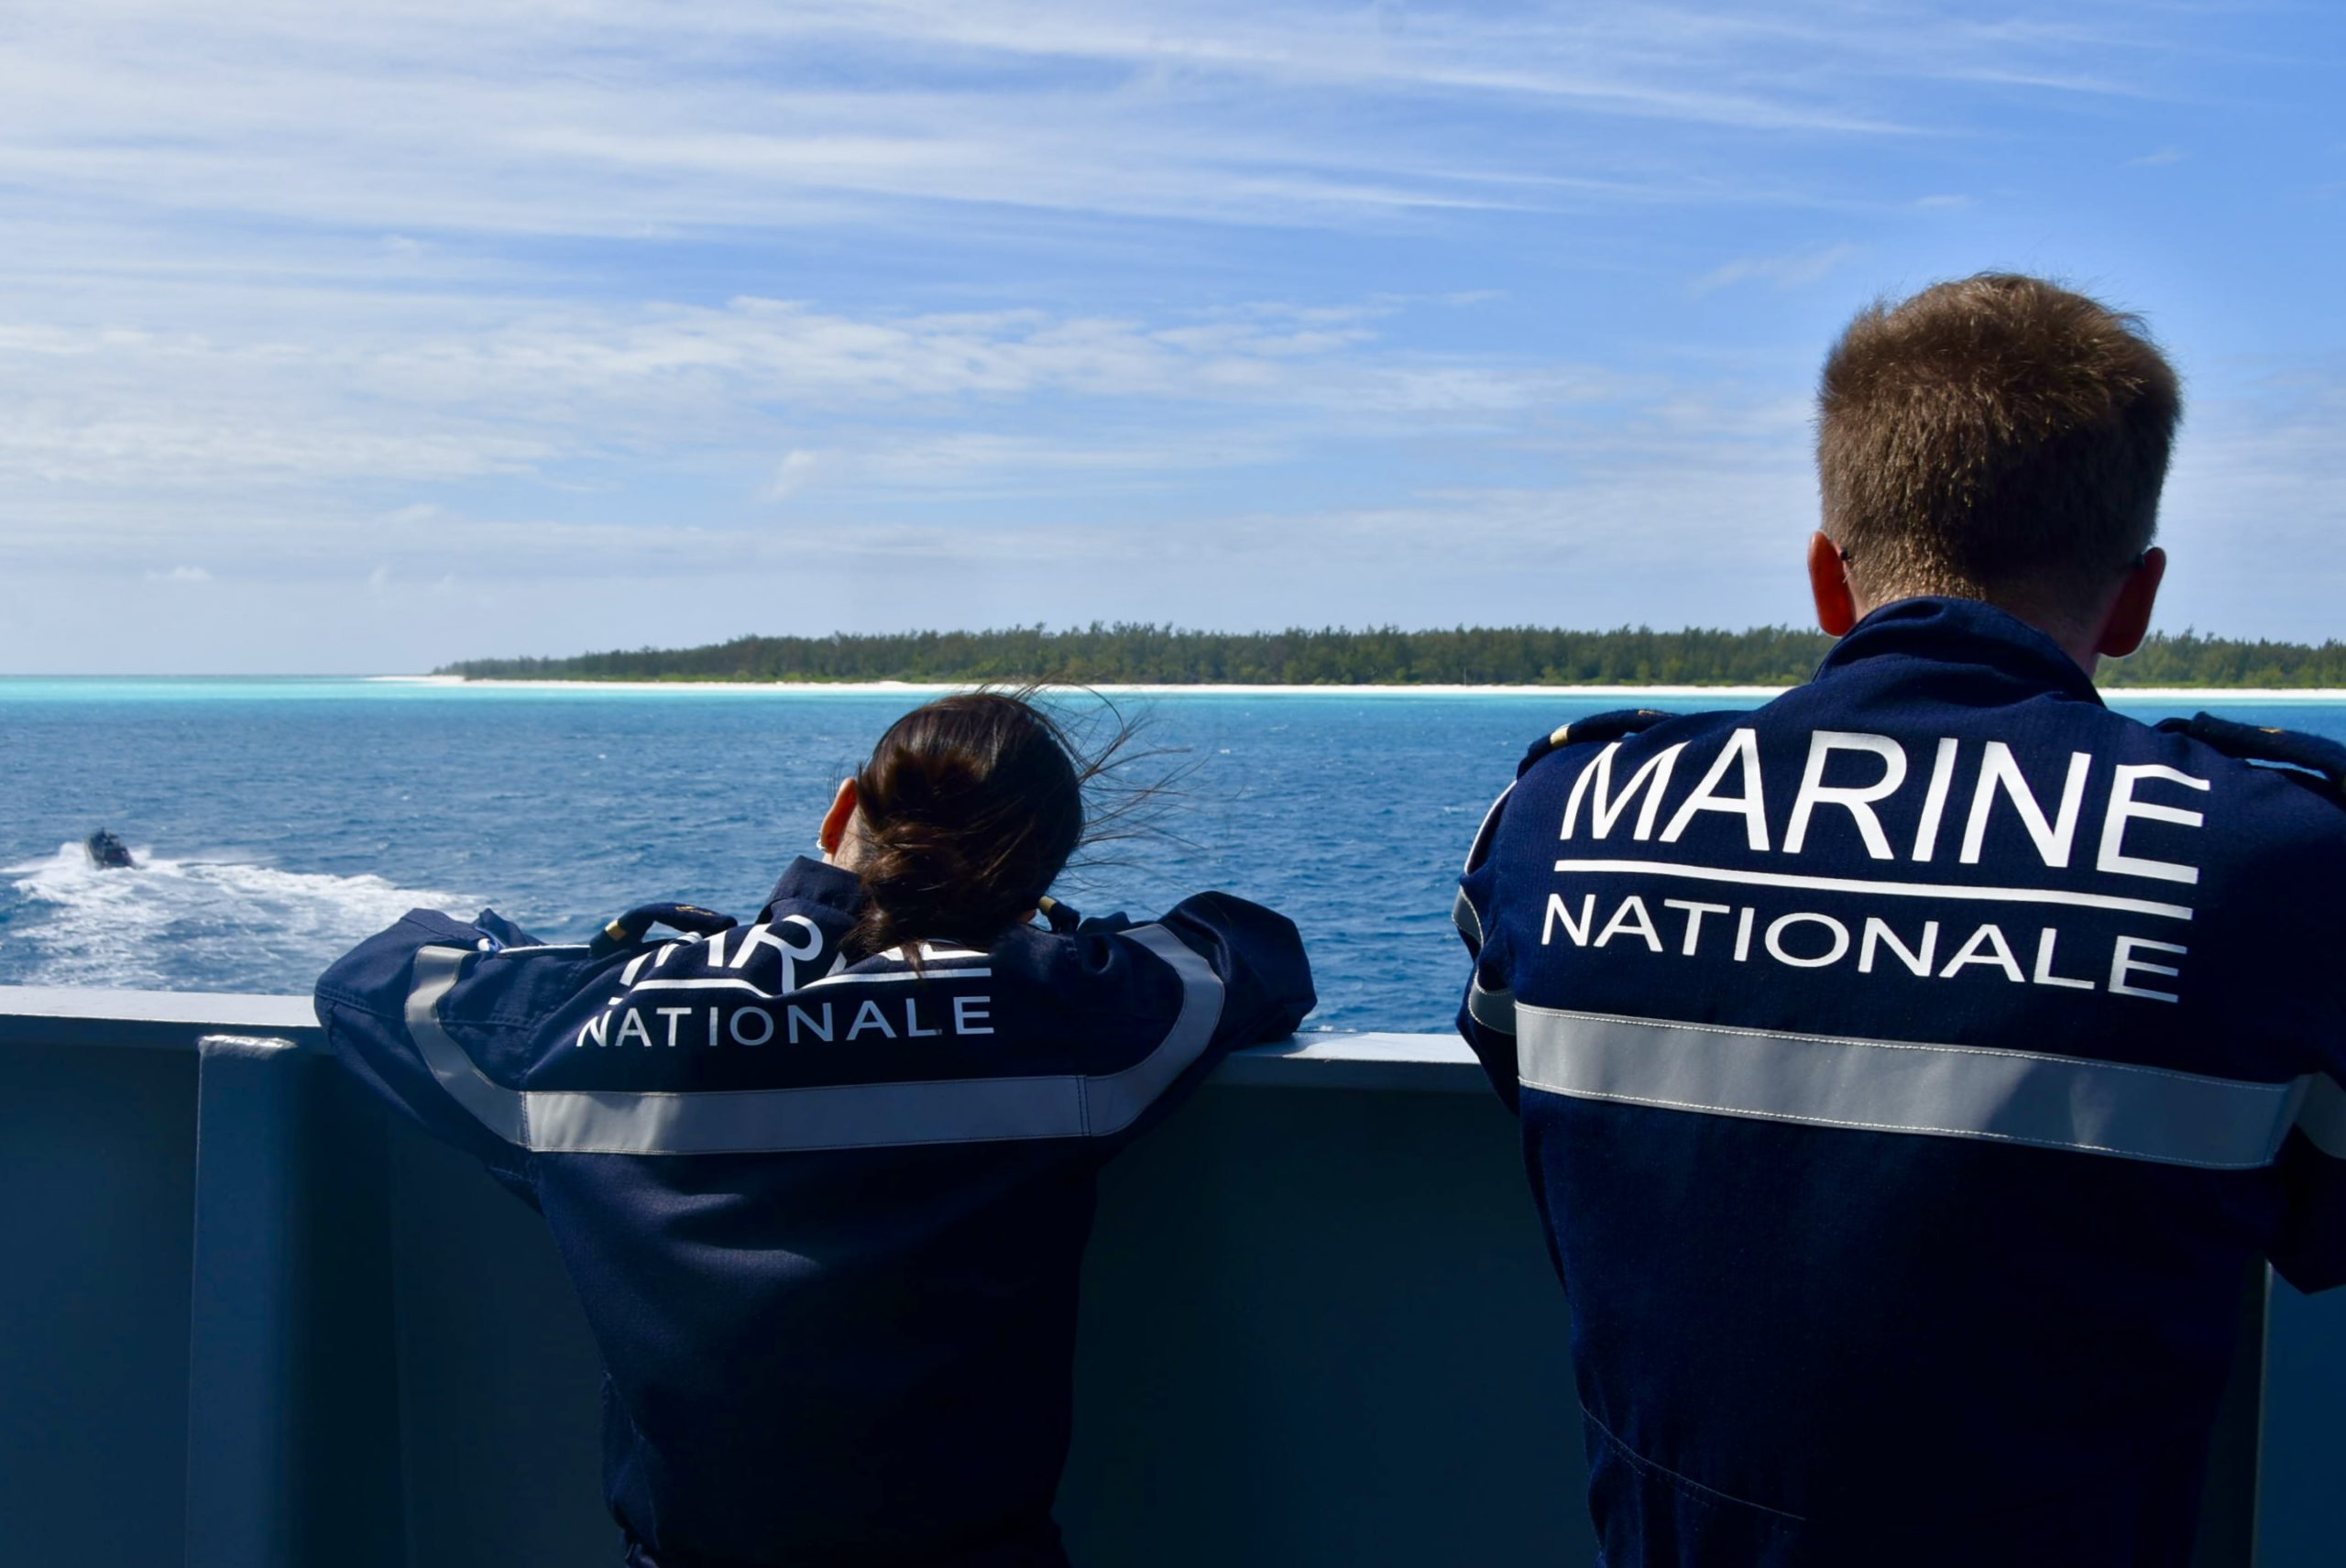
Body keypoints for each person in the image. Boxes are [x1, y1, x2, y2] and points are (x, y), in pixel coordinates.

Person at [1453, 274, 2346, 1565]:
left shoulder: (1561, 815)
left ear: (1829, 575)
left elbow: (1529, 1083)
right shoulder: (2276, 865)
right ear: (2136, 599)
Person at [316, 690, 1315, 1568]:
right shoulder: (1068, 1009)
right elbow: (1248, 948)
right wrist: (1054, 937)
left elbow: (371, 985)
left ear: (843, 811)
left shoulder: (584, 1019)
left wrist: (771, 926)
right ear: (1037, 865)